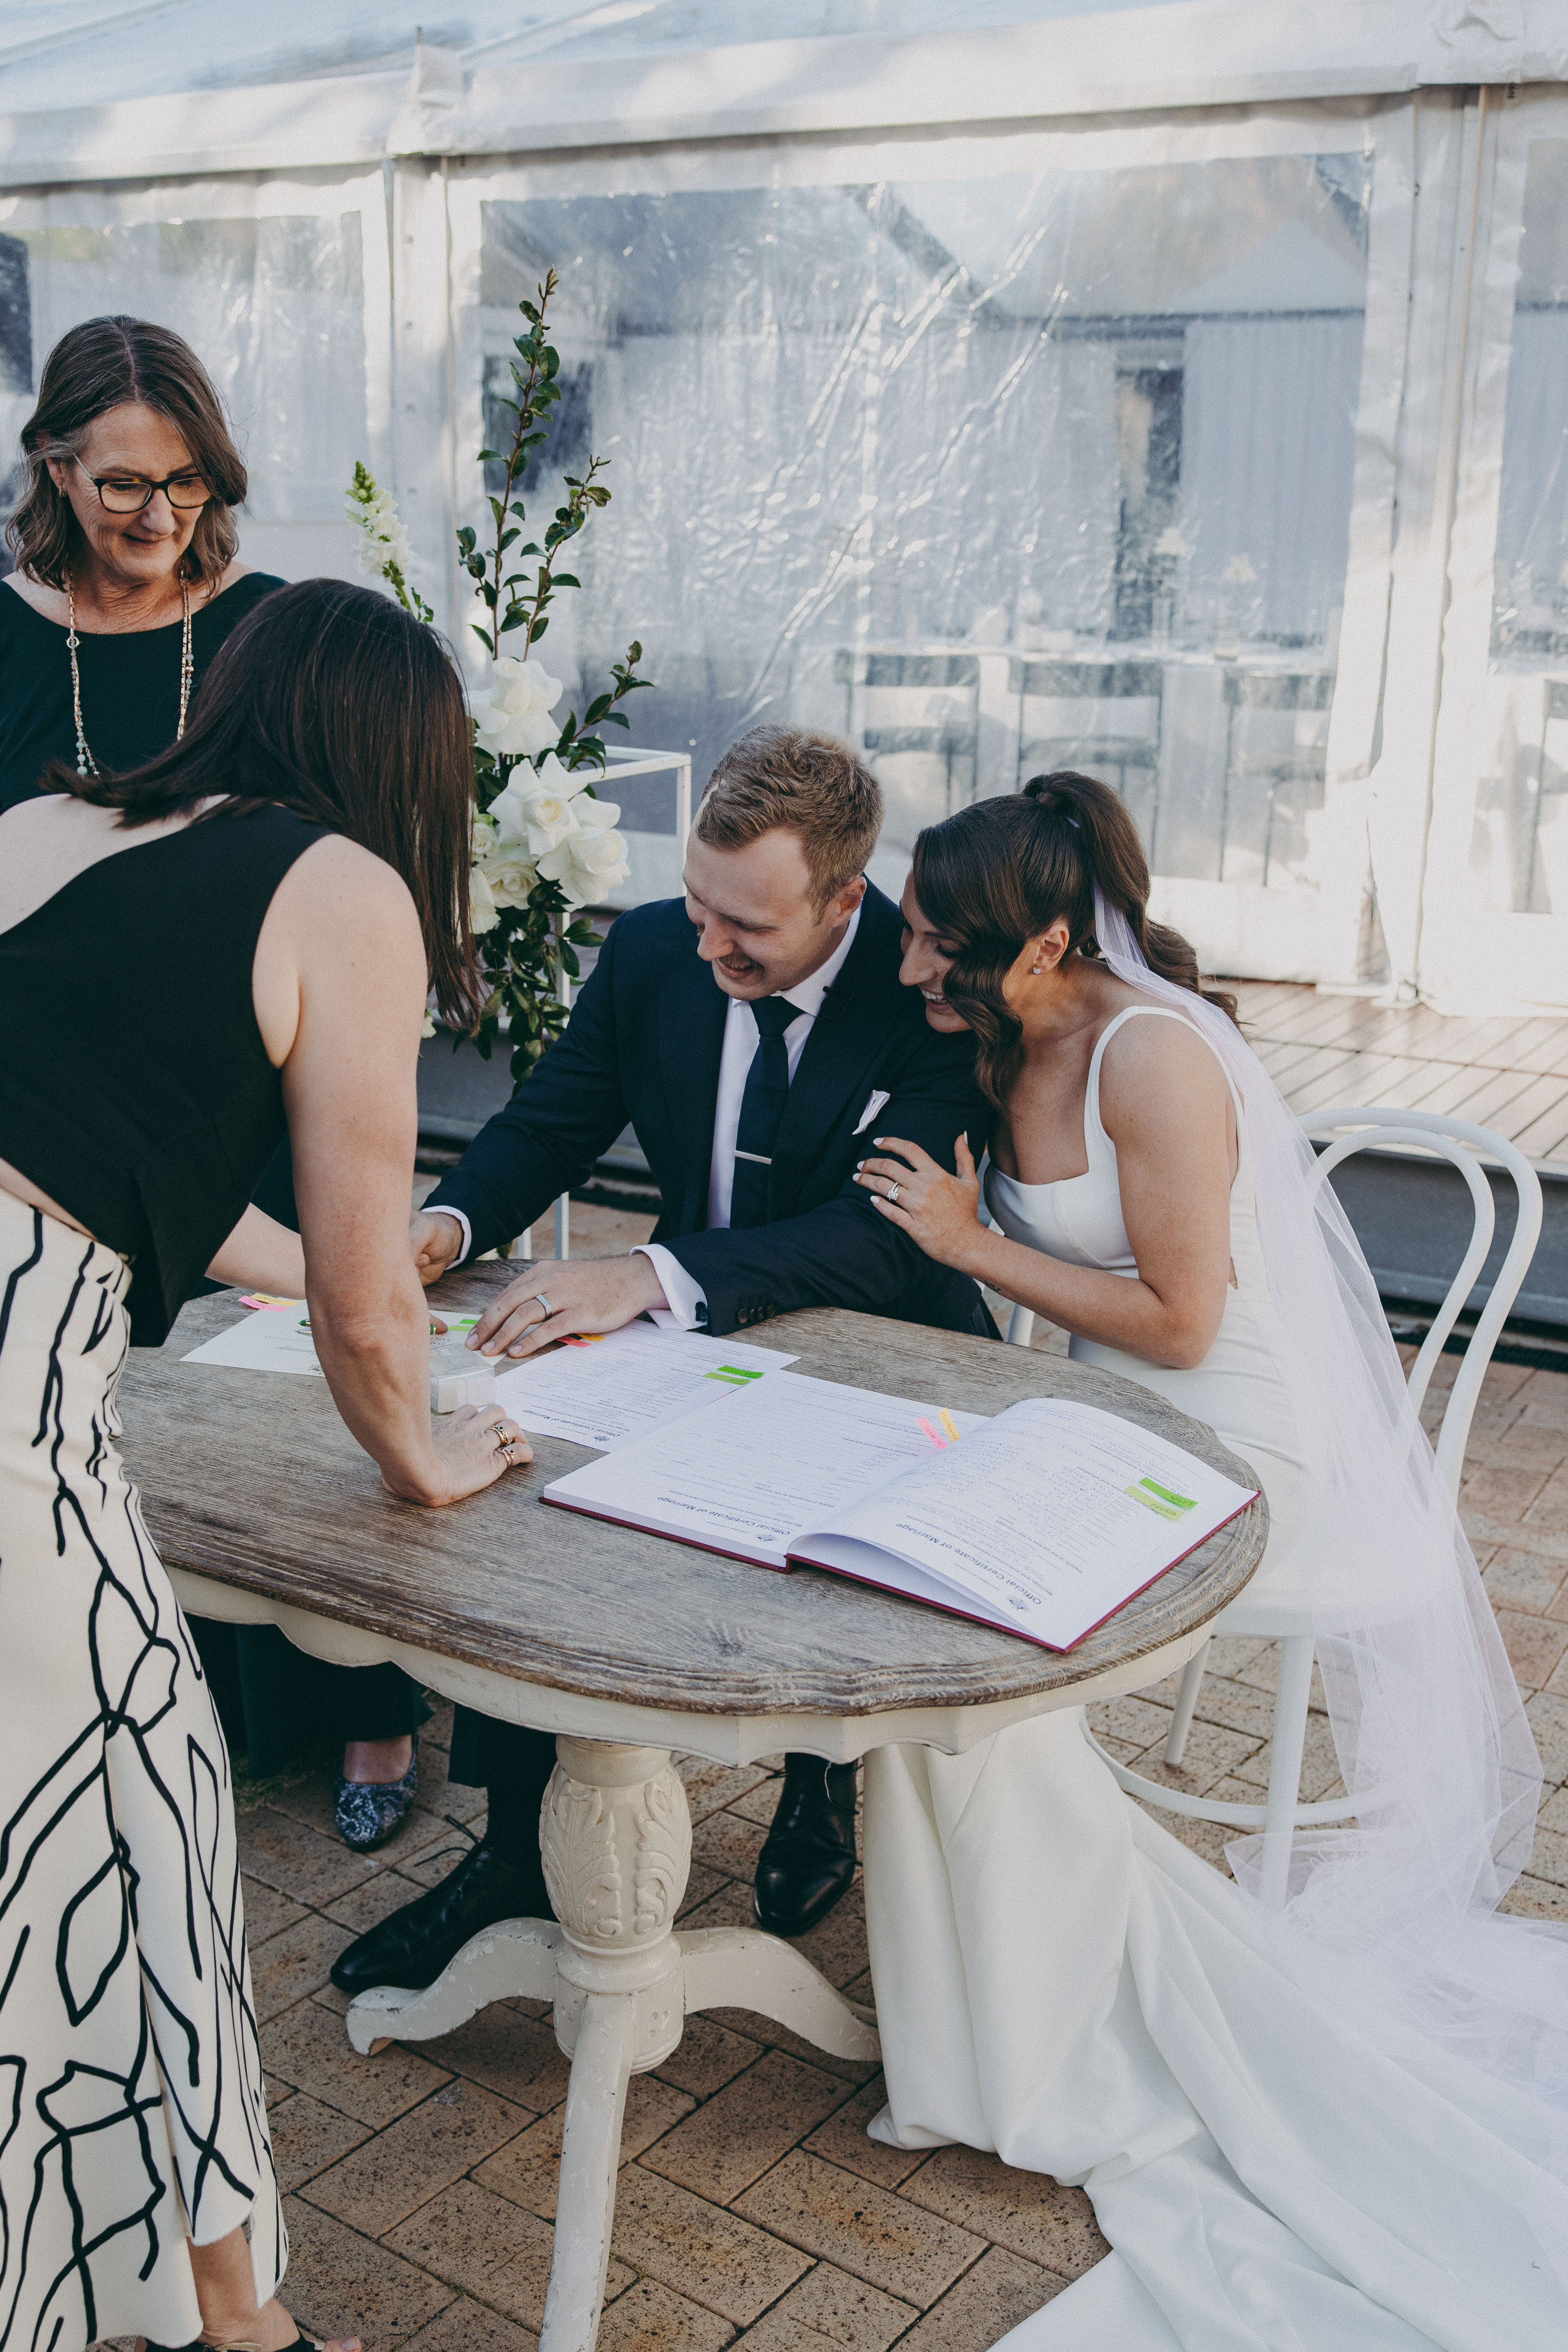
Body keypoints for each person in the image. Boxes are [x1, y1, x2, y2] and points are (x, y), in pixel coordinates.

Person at [845, 772, 1568, 2346]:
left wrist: (974, 1246)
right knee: (918, 1615)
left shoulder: (1153, 1055)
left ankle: (1075, 2020)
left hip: (1239, 1442)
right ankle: (977, 2021)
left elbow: (1185, 1323)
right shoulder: (1002, 1027)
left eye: (937, 948)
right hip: (1102, 1420)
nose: (912, 972)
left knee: (995, 1655)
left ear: (1043, 943)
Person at [0, 578, 532, 2352]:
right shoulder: (344, 887)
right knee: (127, 1832)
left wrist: (340, 1272)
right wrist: (427, 1452)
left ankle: (222, 2309)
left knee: (123, 1816)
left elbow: (91, 1138)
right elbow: (376, 1326)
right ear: (409, 766)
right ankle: (221, 2325)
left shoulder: (53, 823)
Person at [330, 725, 994, 2000]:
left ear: (847, 898)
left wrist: (647, 1274)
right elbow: (553, 1120)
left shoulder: (928, 990)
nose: (706, 946)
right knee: (519, 1512)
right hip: (686, 1347)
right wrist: (448, 1223)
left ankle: (819, 1786)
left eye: (745, 928)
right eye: (696, 905)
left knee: (827, 1564)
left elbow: (879, 1234)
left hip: (888, 1355)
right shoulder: (647, 951)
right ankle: (513, 1858)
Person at [0, 312, 430, 1846]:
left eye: (187, 486)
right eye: (123, 485)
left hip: (158, 1155)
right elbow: (370, 1322)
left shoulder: (220, 669)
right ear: (53, 467)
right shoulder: (338, 885)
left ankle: (355, 1718)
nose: (157, 517)